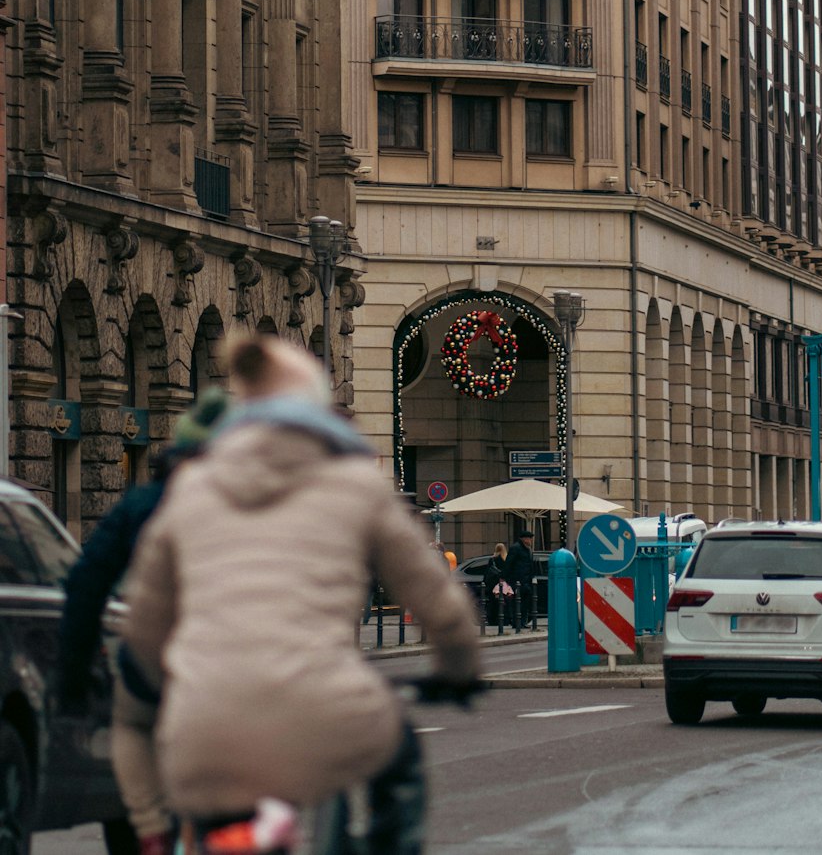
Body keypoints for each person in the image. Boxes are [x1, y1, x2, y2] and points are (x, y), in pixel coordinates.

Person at [121, 335, 480, 852]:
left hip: (203, 729)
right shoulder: (355, 482)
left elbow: (145, 621)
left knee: (209, 818)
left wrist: (160, 689)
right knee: (399, 759)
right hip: (328, 713)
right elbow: (439, 606)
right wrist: (459, 670)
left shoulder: (192, 487)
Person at [57, 388, 231, 855]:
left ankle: (148, 834)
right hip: (239, 671)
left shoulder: (142, 506)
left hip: (156, 665)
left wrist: (72, 678)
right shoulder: (269, 504)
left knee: (131, 729)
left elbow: (85, 586)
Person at [503, 527, 535, 629]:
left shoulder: (528, 550)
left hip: (526, 581)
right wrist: (504, 577)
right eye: (529, 539)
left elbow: (530, 565)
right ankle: (516, 622)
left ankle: (522, 622)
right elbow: (509, 563)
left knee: (525, 603)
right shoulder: (515, 548)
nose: (530, 541)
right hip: (517, 580)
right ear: (524, 539)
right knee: (517, 602)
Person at [482, 543, 509, 628]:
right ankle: (504, 620)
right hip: (503, 583)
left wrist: (485, 583)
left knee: (493, 603)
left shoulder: (492, 559)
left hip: (493, 584)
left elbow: (487, 573)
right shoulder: (506, 559)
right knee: (504, 602)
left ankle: (493, 620)